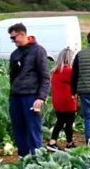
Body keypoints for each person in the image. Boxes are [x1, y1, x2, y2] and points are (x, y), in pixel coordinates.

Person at [7, 22, 51, 157]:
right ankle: (23, 157)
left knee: (33, 128)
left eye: (14, 38)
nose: (13, 41)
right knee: (18, 128)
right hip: (16, 96)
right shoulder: (14, 54)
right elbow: (12, 77)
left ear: (22, 34)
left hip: (31, 96)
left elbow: (45, 76)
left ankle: (37, 159)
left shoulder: (38, 51)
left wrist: (41, 97)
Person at [48, 47, 77, 149]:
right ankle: (68, 143)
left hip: (57, 101)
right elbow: (76, 83)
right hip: (68, 100)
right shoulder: (69, 71)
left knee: (60, 121)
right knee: (69, 123)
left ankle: (53, 141)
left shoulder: (55, 71)